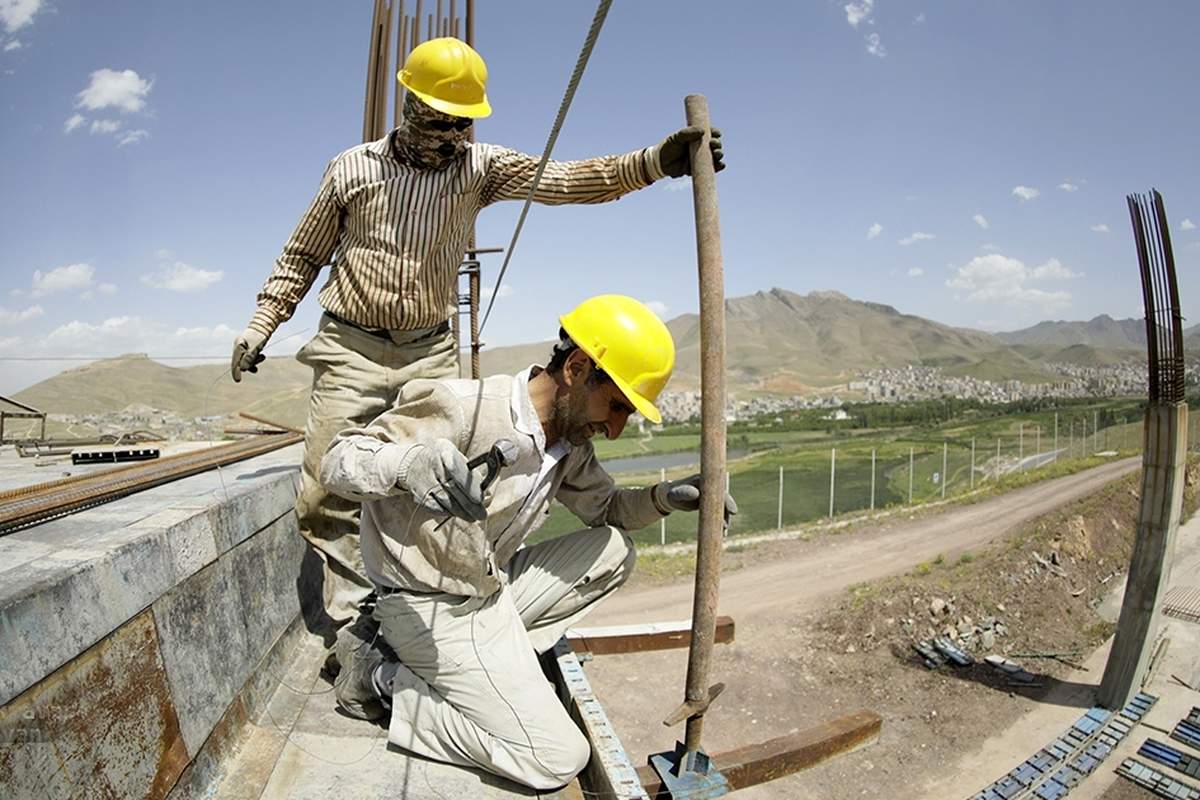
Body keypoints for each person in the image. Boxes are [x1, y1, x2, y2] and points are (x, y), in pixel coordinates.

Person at [230, 37, 725, 625]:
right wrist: (262, 325)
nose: (450, 135)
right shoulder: (351, 168)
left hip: (430, 352)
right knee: (324, 497)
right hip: (351, 347)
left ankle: (421, 606)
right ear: (409, 102)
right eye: (439, 120)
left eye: (461, 123)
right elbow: (302, 256)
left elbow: (563, 181)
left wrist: (652, 164)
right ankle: (352, 625)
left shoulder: (479, 167)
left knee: (443, 481)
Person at [318, 295, 736, 790]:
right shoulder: (465, 407)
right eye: (617, 406)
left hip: (486, 591)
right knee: (556, 756)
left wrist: (665, 498)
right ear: (577, 368)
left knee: (613, 550)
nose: (617, 430)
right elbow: (339, 460)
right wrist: (408, 467)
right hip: (426, 607)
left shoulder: (569, 446)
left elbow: (607, 512)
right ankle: (379, 680)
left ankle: (494, 664)